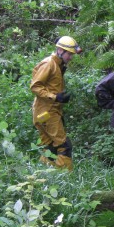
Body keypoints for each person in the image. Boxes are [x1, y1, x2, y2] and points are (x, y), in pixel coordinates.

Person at [30, 35, 82, 171]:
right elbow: (35, 86)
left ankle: (44, 173)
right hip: (47, 113)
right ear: (60, 50)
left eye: (72, 54)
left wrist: (59, 98)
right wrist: (55, 97)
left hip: (46, 112)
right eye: (69, 54)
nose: (70, 57)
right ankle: (65, 176)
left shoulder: (58, 65)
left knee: (51, 145)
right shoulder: (49, 64)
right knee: (64, 145)